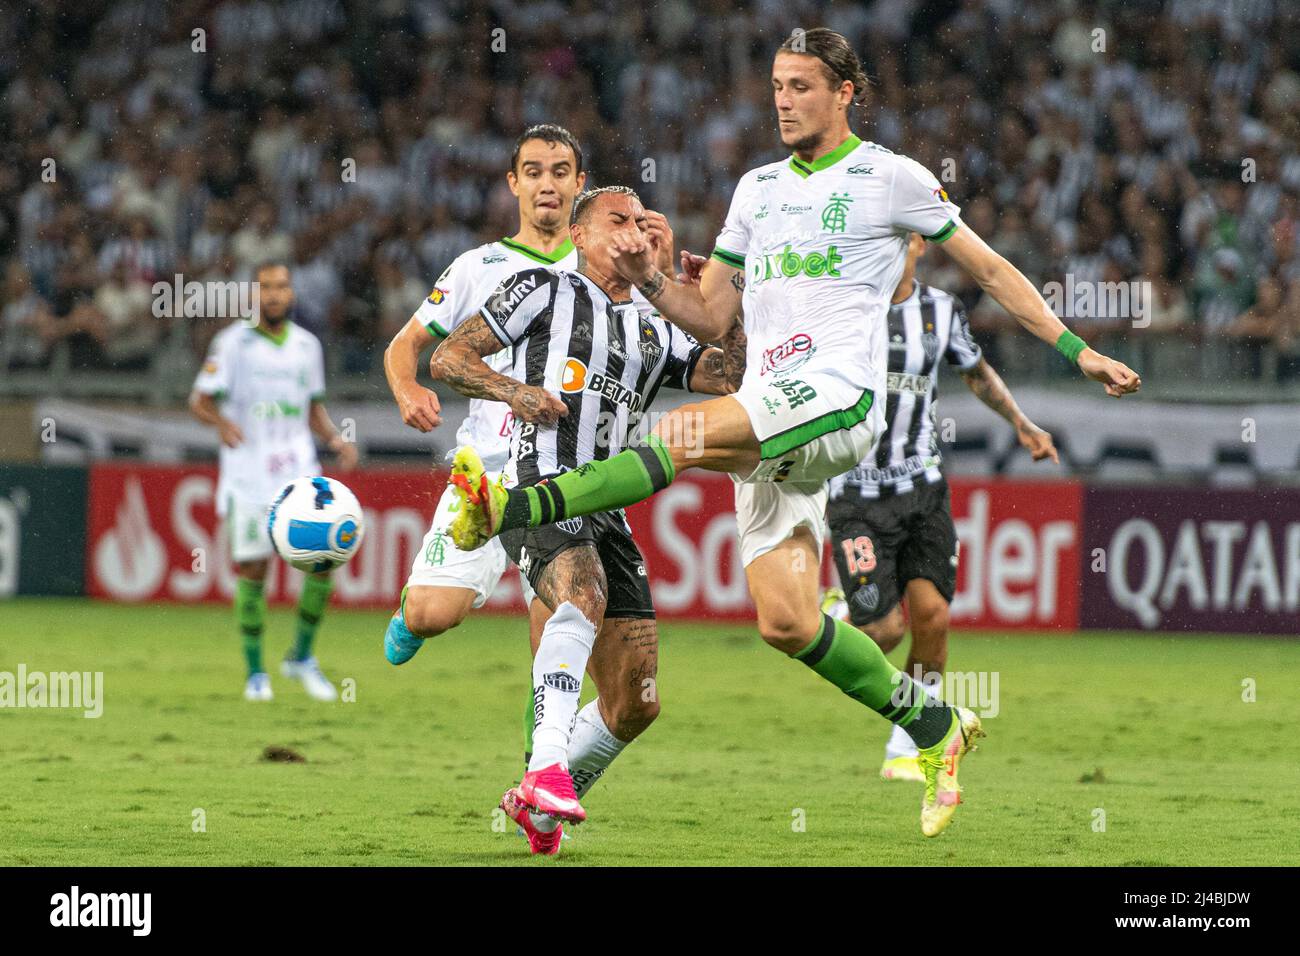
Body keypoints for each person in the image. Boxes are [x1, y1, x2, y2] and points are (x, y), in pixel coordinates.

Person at [448, 28, 1140, 837]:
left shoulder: (891, 178)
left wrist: (1076, 347)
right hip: (773, 409)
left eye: (802, 85)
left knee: (682, 433)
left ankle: (506, 509)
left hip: (837, 397)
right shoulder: (757, 190)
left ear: (847, 92)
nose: (783, 98)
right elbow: (708, 316)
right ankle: (934, 727)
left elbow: (989, 268)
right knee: (786, 619)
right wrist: (647, 281)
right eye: (777, 84)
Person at [431, 185, 732, 852]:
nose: (633, 232)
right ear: (580, 235)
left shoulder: (659, 327)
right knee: (582, 591)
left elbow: (734, 378)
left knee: (636, 703)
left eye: (641, 222)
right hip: (536, 484)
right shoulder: (543, 288)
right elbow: (448, 357)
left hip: (606, 506)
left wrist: (713, 306)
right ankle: (543, 771)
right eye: (616, 221)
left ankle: (539, 805)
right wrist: (517, 391)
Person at [821, 232, 1058, 781]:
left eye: (898, 241)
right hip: (856, 492)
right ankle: (842, 610)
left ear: (918, 246)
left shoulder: (941, 310)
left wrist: (1021, 424)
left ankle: (906, 744)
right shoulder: (846, 308)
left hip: (923, 490)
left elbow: (974, 372)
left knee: (932, 619)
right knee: (882, 631)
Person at [190, 261, 357, 701]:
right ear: (253, 295)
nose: (275, 295)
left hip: (299, 473)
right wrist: (222, 423)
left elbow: (312, 410)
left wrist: (336, 439)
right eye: (266, 288)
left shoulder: (307, 346)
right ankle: (255, 673)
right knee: (254, 569)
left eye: (282, 286)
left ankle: (300, 657)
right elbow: (199, 401)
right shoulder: (231, 344)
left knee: (324, 562)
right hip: (248, 473)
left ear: (292, 294)